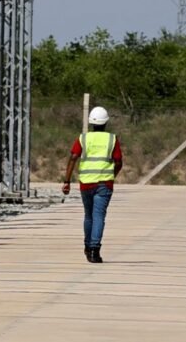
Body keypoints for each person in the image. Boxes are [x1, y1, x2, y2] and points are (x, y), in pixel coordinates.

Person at [61, 106, 123, 263]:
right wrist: (111, 175)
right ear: (106, 122)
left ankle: (88, 246)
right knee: (99, 216)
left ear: (90, 122)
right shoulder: (112, 139)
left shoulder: (83, 138)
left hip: (86, 183)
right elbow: (118, 162)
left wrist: (67, 181)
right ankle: (95, 250)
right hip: (104, 184)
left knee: (88, 216)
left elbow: (73, 158)